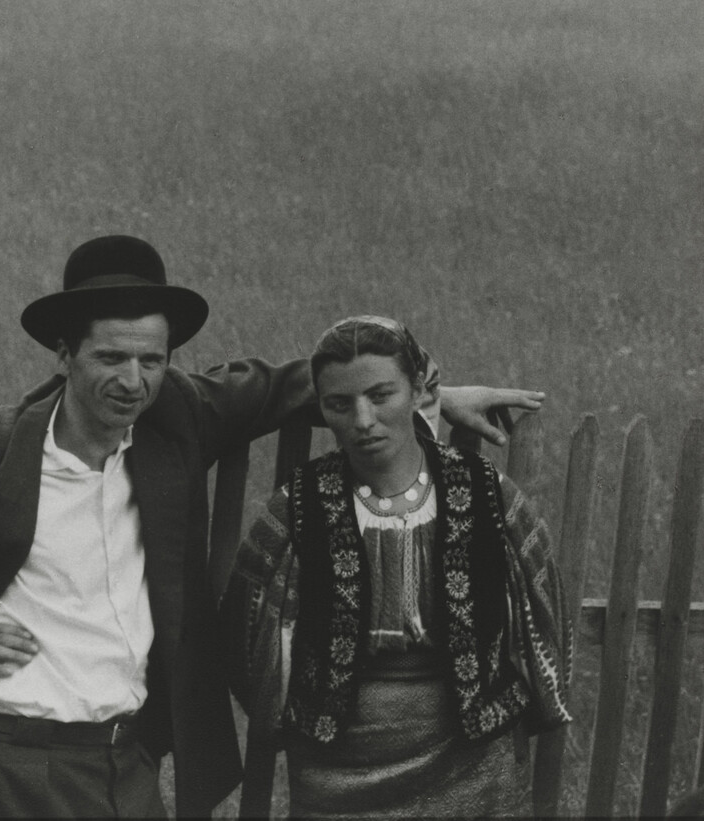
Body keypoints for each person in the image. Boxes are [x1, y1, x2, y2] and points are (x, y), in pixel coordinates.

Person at [0, 239, 545, 818]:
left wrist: (432, 398)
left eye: (151, 359)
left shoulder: (173, 417)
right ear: (62, 353)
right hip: (5, 762)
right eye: (110, 357)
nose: (132, 380)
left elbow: (296, 387)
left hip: (127, 764)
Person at [220, 315, 572, 818]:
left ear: (420, 392)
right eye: (339, 404)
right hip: (336, 764)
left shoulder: (484, 492)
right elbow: (246, 621)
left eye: (381, 395)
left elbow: (542, 602)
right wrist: (291, 713)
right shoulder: (300, 504)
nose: (362, 420)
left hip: (470, 759)